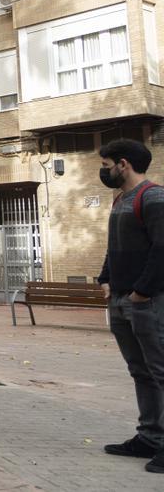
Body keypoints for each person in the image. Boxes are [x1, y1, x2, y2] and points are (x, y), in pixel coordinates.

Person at [97, 138, 164, 474]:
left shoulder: (154, 197)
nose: (104, 171)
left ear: (123, 164)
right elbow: (115, 247)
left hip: (148, 302)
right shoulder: (120, 199)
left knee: (160, 371)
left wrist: (141, 292)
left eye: (107, 165)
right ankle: (150, 437)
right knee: (141, 372)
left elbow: (162, 250)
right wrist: (105, 279)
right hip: (122, 302)